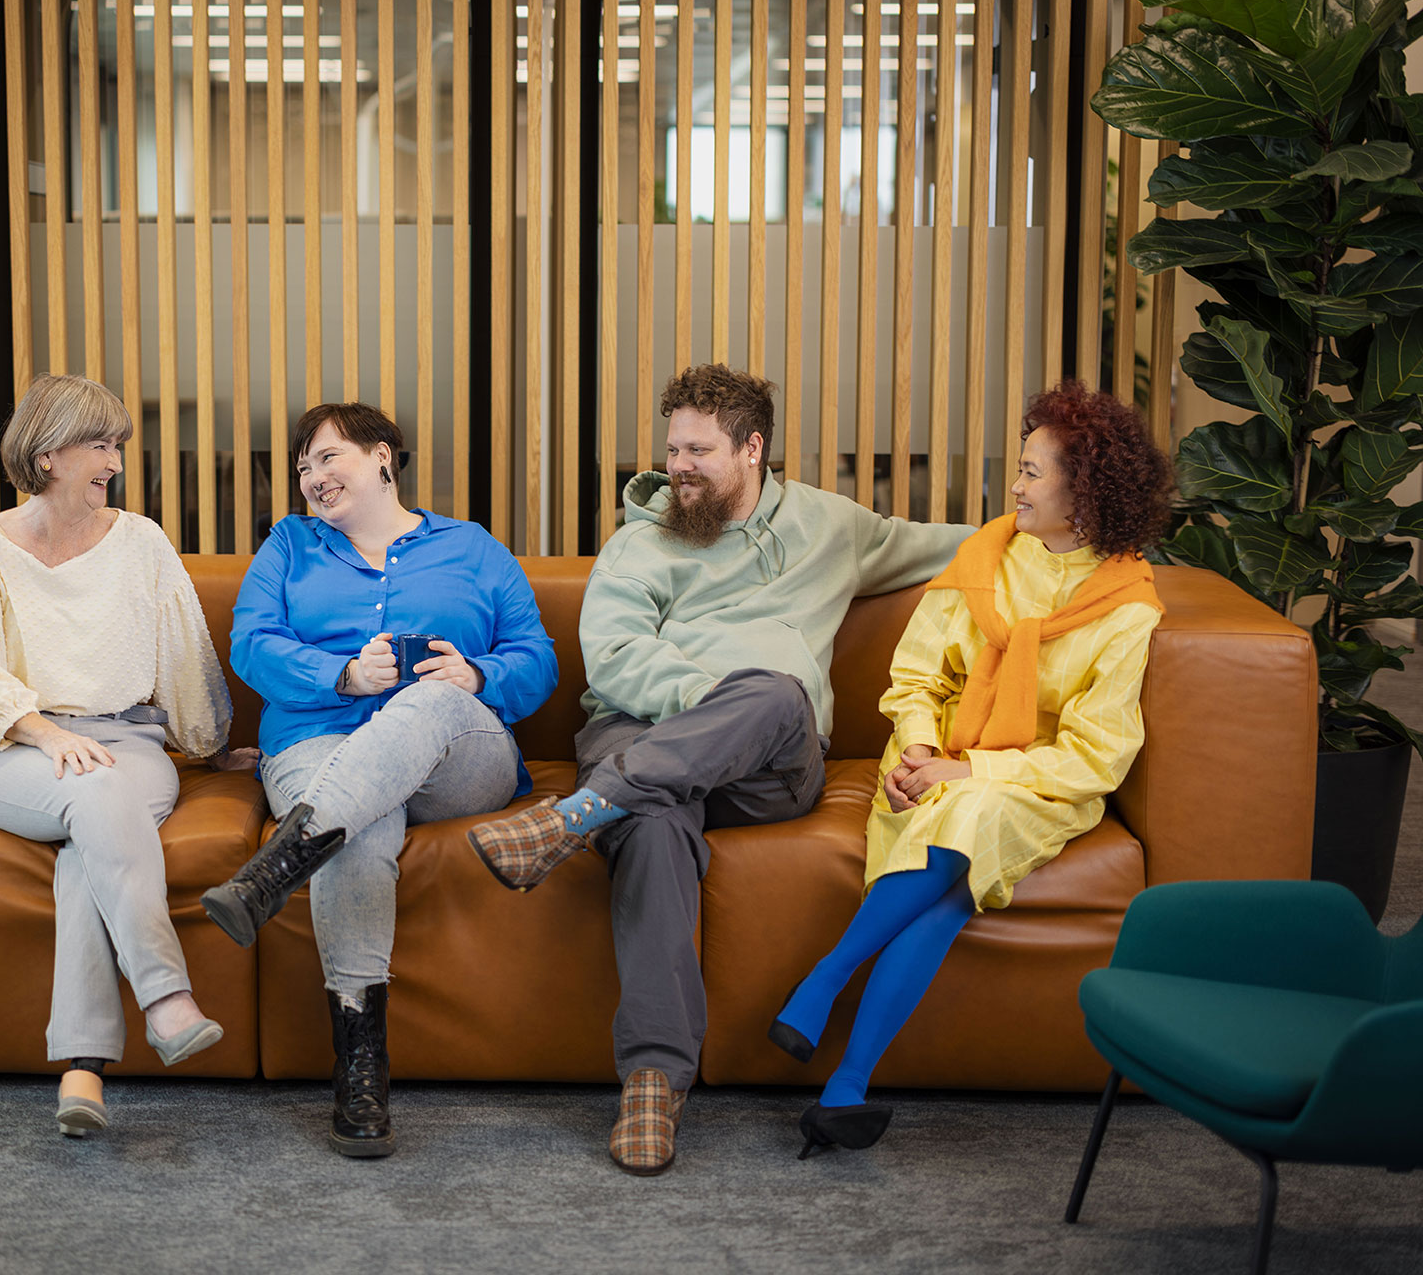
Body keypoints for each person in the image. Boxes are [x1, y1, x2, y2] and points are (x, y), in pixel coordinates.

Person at [465, 363, 973, 1175]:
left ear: (753, 448)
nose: (679, 466)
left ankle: (574, 818)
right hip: (638, 737)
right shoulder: (639, 545)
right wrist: (709, 707)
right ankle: (653, 1083)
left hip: (769, 760)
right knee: (654, 819)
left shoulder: (831, 527)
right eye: (673, 449)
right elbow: (619, 658)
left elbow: (957, 547)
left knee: (773, 695)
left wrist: (1083, 529)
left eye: (699, 450)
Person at [767, 380, 1172, 1156]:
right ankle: (845, 1091)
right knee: (948, 899)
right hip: (933, 758)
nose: (1013, 487)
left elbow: (1095, 755)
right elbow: (918, 679)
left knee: (971, 816)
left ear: (1081, 490)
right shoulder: (983, 557)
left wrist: (971, 773)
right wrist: (920, 748)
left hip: (1041, 784)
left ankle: (823, 982)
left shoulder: (1126, 607)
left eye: (1030, 473)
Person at [216, 401, 557, 1158]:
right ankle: (361, 1067)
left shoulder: (470, 548)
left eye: (328, 457)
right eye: (302, 467)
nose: (312, 477)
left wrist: (478, 673)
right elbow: (251, 645)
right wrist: (339, 674)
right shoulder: (288, 546)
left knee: (427, 697)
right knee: (360, 824)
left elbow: (539, 658)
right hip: (317, 739)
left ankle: (276, 867)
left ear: (382, 458)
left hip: (457, 754)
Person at [0, 374, 256, 1139]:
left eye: (116, 447)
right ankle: (166, 996)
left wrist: (207, 749)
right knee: (94, 794)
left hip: (128, 741)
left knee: (93, 831)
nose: (114, 462)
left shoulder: (139, 540)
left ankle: (83, 1071)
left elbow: (182, 653)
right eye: (101, 445)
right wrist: (45, 732)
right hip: (0, 746)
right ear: (47, 456)